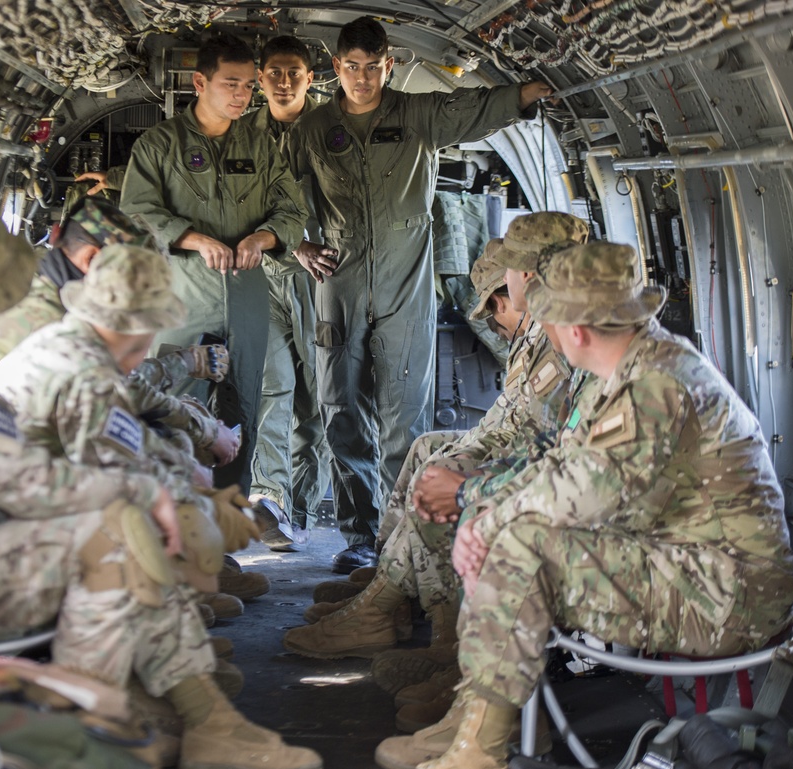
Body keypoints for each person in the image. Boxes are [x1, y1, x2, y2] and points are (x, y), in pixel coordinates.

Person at [0, 210, 322, 769]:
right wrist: (162, 500)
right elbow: (32, 485)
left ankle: (188, 704)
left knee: (123, 515)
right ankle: (93, 719)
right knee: (118, 538)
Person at [378, 241, 793, 769]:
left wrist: (477, 508)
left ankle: (478, 750)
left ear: (573, 331)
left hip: (726, 592)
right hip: (687, 562)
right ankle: (483, 727)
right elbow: (564, 468)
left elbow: (582, 493)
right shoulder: (630, 368)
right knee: (517, 539)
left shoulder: (656, 383)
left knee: (521, 551)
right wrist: (485, 507)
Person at [284, 16, 556, 573]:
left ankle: (398, 537)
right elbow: (278, 196)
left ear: (390, 65)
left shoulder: (416, 116)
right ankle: (360, 534)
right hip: (337, 279)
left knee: (403, 416)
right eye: (351, 67)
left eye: (373, 67)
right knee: (340, 409)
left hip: (405, 283)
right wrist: (298, 247)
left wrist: (529, 91)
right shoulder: (313, 130)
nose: (362, 78)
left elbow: (474, 107)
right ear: (337, 68)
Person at [283, 213, 584, 667]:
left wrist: (466, 462)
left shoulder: (563, 335)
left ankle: (440, 634)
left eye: (511, 271)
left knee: (439, 473)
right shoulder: (541, 330)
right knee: (427, 445)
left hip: (547, 480)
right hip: (535, 463)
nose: (505, 280)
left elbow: (535, 438)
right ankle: (391, 588)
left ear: (528, 275)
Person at [0, 242, 263, 620]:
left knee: (171, 446)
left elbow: (135, 407)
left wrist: (190, 445)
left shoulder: (75, 347)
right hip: (19, 545)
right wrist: (197, 493)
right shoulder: (84, 375)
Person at [120, 33, 307, 495]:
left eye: (247, 86)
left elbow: (293, 212)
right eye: (231, 84)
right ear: (200, 82)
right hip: (182, 297)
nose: (242, 95)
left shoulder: (262, 148)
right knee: (177, 406)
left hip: (246, 297)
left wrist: (263, 238)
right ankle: (174, 519)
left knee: (240, 409)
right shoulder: (159, 144)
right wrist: (193, 238)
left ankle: (223, 531)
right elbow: (136, 212)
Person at [0, 197, 241, 471]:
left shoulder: (36, 288)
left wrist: (185, 369)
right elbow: (119, 389)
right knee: (175, 448)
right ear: (94, 260)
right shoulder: (48, 321)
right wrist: (203, 433)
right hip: (11, 466)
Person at [242, 35, 333, 550]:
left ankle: (297, 509)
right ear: (261, 77)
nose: (282, 81)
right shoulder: (241, 134)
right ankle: (270, 500)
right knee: (272, 387)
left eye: (292, 72)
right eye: (273, 72)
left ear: (310, 76)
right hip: (267, 277)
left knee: (316, 406)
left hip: (320, 282)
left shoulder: (330, 128)